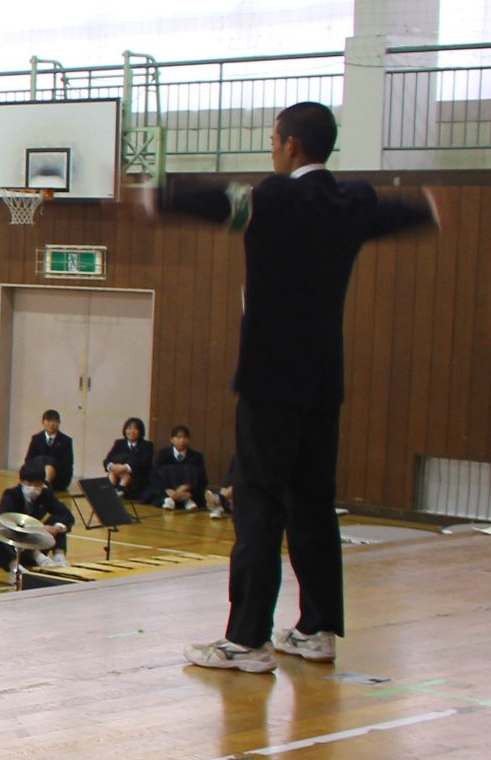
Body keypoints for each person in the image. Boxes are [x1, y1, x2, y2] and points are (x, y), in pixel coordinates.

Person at [142, 101, 438, 673]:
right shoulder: (352, 200)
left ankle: (247, 640)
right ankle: (317, 628)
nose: (272, 149)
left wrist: (160, 197)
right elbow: (404, 214)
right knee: (312, 504)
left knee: (257, 503)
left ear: (292, 146)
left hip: (270, 381)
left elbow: (215, 202)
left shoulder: (273, 199)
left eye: (275, 140)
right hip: (324, 382)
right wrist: (423, 209)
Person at [102, 417, 153, 500]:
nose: (131, 432)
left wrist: (125, 468)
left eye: (135, 429)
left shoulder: (147, 445)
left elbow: (144, 463)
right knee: (112, 473)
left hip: (137, 478)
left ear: (140, 431)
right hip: (117, 475)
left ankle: (118, 492)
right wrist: (112, 467)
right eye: (129, 428)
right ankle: (114, 493)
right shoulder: (119, 443)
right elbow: (107, 460)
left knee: (124, 475)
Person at [23, 409, 73, 487]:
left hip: (58, 478)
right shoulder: (36, 438)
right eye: (48, 421)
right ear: (43, 422)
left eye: (54, 421)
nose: (51, 424)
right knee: (41, 460)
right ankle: (42, 484)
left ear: (59, 423)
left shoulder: (66, 441)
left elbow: (68, 464)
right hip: (38, 475)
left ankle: (45, 485)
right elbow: (29, 459)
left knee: (50, 464)